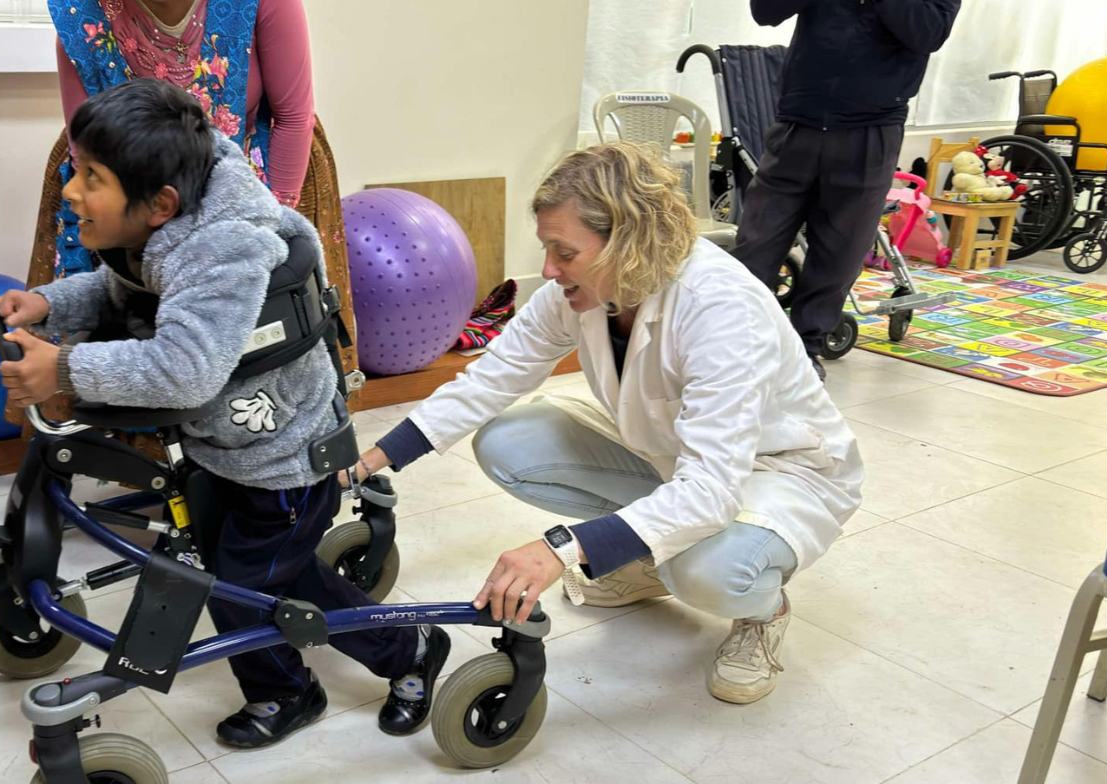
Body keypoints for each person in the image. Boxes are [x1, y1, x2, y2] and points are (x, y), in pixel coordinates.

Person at [0, 80, 449, 749]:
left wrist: (60, 368)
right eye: (76, 170)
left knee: (240, 586)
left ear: (158, 204)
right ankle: (405, 644)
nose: (73, 190)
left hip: (284, 458)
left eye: (91, 177)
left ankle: (303, 686)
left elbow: (184, 367)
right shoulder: (167, 220)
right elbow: (125, 292)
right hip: (228, 445)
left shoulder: (223, 249)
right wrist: (48, 304)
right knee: (275, 575)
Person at [350, 143, 863, 704]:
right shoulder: (582, 292)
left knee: (708, 572)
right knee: (508, 442)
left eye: (562, 252)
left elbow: (714, 489)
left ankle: (762, 612)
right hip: (674, 458)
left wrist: (560, 549)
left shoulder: (721, 309)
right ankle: (651, 558)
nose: (547, 270)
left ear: (627, 242)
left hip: (779, 473)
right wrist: (372, 459)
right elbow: (491, 378)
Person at [731, 0, 960, 380]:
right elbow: (765, 10)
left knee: (839, 254)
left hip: (872, 129)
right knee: (756, 244)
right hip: (797, 122)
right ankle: (733, 344)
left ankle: (804, 353)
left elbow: (928, 33)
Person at [48, 0, 315, 279]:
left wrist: (266, 226)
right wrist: (139, 246)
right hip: (133, 213)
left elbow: (293, 118)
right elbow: (86, 145)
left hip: (248, 198)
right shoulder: (79, 14)